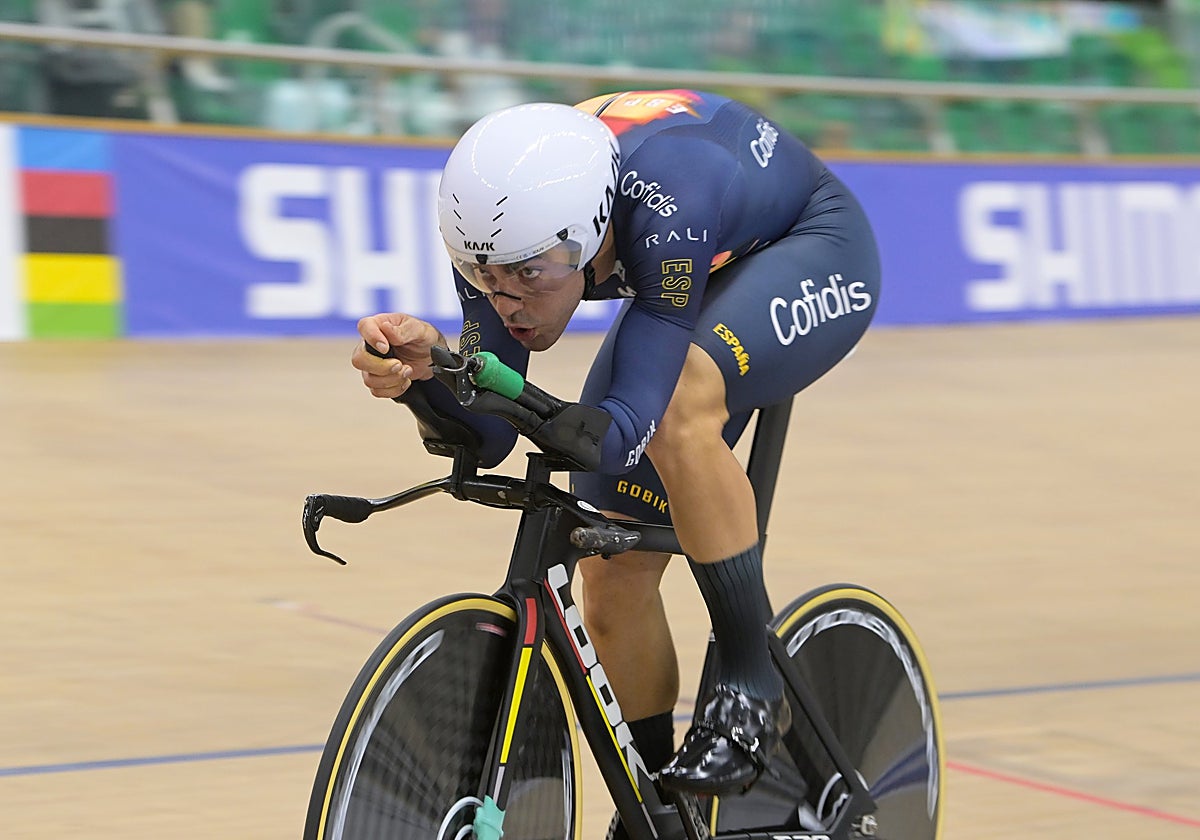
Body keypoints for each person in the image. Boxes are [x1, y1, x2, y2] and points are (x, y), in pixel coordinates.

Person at [352, 90, 880, 806]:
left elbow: (623, 430)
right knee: (612, 563)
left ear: (589, 232)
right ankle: (658, 807)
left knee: (678, 407)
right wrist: (428, 377)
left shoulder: (670, 200)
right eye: (486, 279)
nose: (507, 303)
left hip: (808, 246)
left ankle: (751, 690)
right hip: (692, 255)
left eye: (529, 277)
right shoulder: (499, 238)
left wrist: (544, 410)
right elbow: (490, 434)